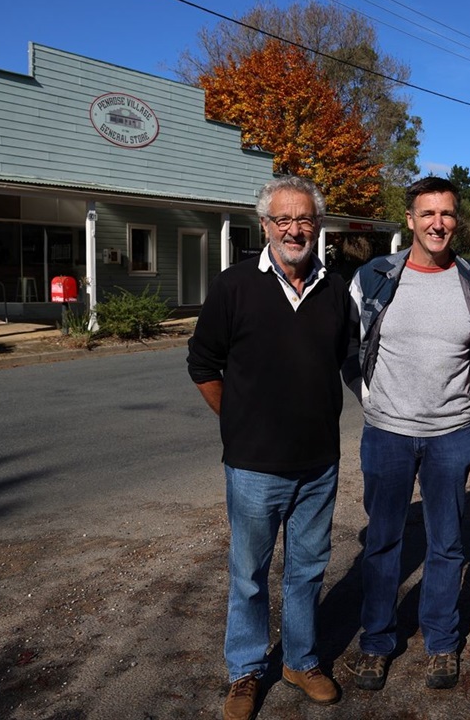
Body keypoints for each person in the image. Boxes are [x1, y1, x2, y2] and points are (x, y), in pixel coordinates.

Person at [187, 176, 352, 720]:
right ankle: (245, 671)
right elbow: (202, 364)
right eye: (282, 220)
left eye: (304, 219)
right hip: (254, 467)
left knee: (307, 570)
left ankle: (301, 661)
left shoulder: (335, 289)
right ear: (264, 226)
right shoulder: (234, 286)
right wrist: (237, 419)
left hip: (318, 465)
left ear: (318, 225)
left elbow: (348, 363)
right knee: (248, 575)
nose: (294, 229)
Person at [344, 176, 470, 691]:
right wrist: (370, 401)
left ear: (456, 220)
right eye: (427, 213)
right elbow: (349, 348)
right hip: (386, 433)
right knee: (382, 543)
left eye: (447, 214)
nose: (438, 223)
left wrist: (467, 404)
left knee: (448, 544)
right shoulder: (374, 277)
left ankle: (441, 641)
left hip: (450, 435)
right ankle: (377, 641)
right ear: (409, 219)